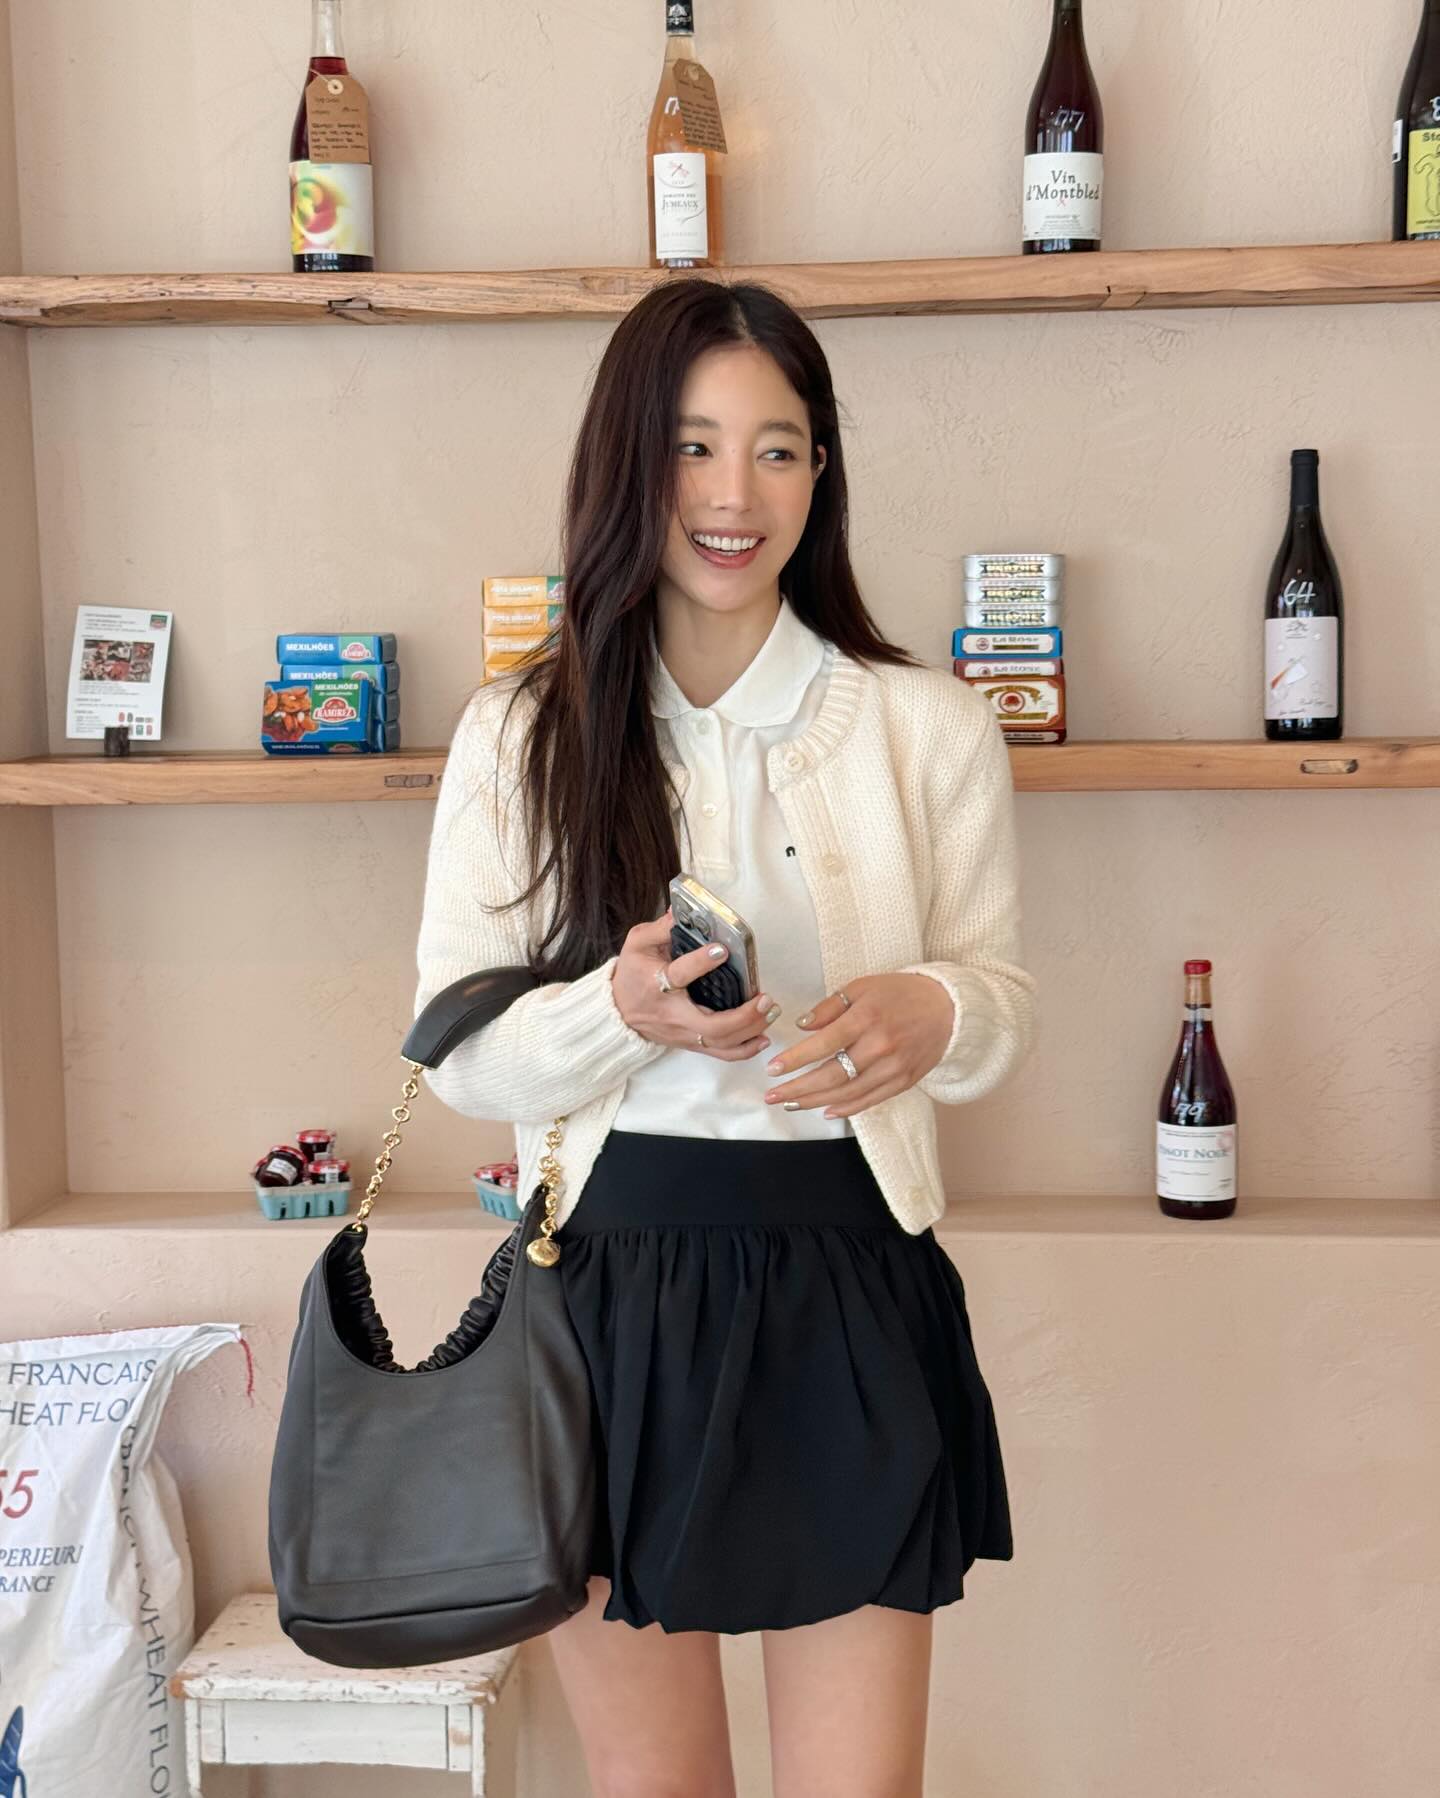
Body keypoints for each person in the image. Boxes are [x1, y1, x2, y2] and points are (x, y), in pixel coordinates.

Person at [413, 278, 1037, 1798]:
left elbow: (998, 1005)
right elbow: (457, 1053)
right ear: (629, 464)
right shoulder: (522, 734)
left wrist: (937, 1009)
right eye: (693, 446)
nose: (733, 494)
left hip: (850, 1285)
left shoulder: (927, 725)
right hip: (600, 1301)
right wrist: (613, 1014)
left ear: (821, 474)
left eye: (778, 449)